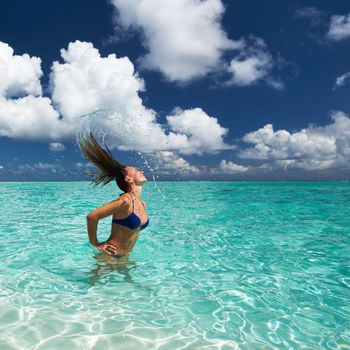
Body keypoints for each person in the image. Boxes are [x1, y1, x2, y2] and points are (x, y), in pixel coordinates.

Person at [78, 132, 149, 258]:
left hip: (125, 258)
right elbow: (92, 216)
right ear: (128, 179)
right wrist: (95, 243)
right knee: (93, 279)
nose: (141, 171)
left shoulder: (142, 204)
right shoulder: (125, 201)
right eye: (136, 171)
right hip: (109, 257)